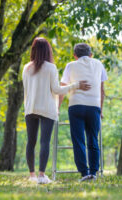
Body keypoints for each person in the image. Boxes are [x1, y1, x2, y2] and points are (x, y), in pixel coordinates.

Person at [22, 38, 90, 184]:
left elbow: (26, 91)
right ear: (48, 50)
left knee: (31, 142)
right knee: (44, 142)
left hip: (30, 108)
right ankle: (41, 175)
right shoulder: (51, 67)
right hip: (47, 108)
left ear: (33, 50)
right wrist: (76, 85)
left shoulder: (26, 67)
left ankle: (32, 175)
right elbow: (57, 90)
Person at [59, 43, 107, 181]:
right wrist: (101, 110)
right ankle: (94, 172)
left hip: (76, 106)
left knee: (78, 140)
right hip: (94, 106)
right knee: (93, 139)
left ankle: (84, 173)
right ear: (91, 54)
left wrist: (57, 108)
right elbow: (102, 90)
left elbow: (63, 88)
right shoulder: (98, 64)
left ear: (74, 56)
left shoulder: (71, 65)